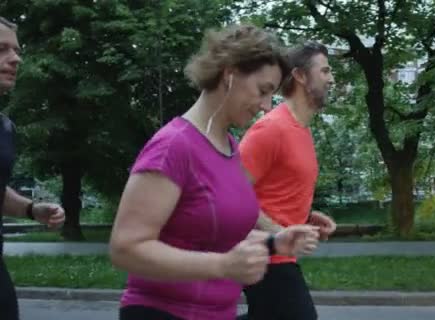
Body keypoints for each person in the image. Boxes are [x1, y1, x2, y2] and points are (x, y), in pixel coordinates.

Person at [109, 24, 320, 320]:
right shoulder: (174, 146)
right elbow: (125, 248)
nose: (264, 106)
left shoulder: (230, 146)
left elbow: (214, 234)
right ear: (229, 74)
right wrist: (221, 266)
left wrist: (275, 241)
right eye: (263, 91)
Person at [238, 41, 337, 320]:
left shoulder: (300, 130)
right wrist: (277, 232)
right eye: (325, 71)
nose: (331, 78)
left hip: (281, 254)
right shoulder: (271, 128)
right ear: (301, 76)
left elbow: (275, 193)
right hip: (265, 254)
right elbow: (230, 195)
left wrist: (306, 219)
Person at [0, 16, 66, 320]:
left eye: (16, 50)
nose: (16, 59)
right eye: (2, 49)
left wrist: (30, 209)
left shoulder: (5, 127)